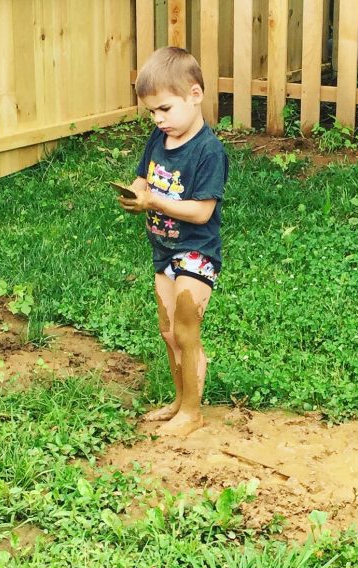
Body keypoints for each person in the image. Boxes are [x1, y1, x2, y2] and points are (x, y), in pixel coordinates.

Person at [117, 46, 229, 437]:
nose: (158, 119)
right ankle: (180, 401)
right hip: (162, 250)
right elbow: (143, 178)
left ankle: (193, 413)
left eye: (165, 108)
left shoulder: (208, 151)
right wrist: (136, 193)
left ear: (195, 95)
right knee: (168, 333)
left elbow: (201, 212)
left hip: (196, 253)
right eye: (151, 112)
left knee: (186, 331)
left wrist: (155, 201)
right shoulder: (157, 140)